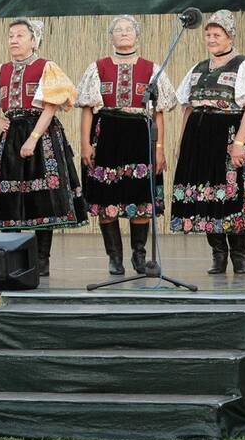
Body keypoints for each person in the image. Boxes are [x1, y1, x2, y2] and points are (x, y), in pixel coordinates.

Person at [0, 18, 87, 277]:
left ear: (34, 41)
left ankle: (41, 260)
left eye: (20, 35)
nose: (13, 40)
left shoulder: (46, 67)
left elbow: (51, 106)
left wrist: (33, 138)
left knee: (43, 197)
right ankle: (14, 259)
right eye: (11, 35)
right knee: (11, 193)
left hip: (42, 133)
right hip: (12, 134)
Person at [75, 15, 177, 276]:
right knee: (106, 197)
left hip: (140, 135)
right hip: (107, 133)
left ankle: (139, 255)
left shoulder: (152, 69)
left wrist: (160, 147)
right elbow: (87, 109)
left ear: (137, 35)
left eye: (128, 29)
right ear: (111, 37)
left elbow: (159, 113)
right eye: (118, 30)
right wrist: (85, 144)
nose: (123, 33)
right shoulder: (97, 67)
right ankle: (114, 258)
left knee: (140, 197)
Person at [172, 11, 245, 274]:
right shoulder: (198, 69)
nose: (211, 39)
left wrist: (239, 142)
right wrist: (182, 142)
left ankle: (239, 255)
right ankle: (218, 253)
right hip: (200, 136)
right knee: (206, 191)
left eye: (217, 34)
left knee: (234, 192)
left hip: (230, 133)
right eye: (208, 34)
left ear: (230, 37)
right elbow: (188, 109)